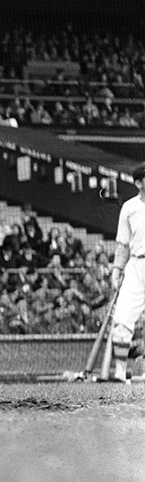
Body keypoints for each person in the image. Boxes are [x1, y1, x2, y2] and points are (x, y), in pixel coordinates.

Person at [106, 163, 145, 382]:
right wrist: (116, 271)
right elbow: (122, 244)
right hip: (136, 266)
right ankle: (120, 371)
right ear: (138, 183)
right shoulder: (129, 208)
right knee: (122, 317)